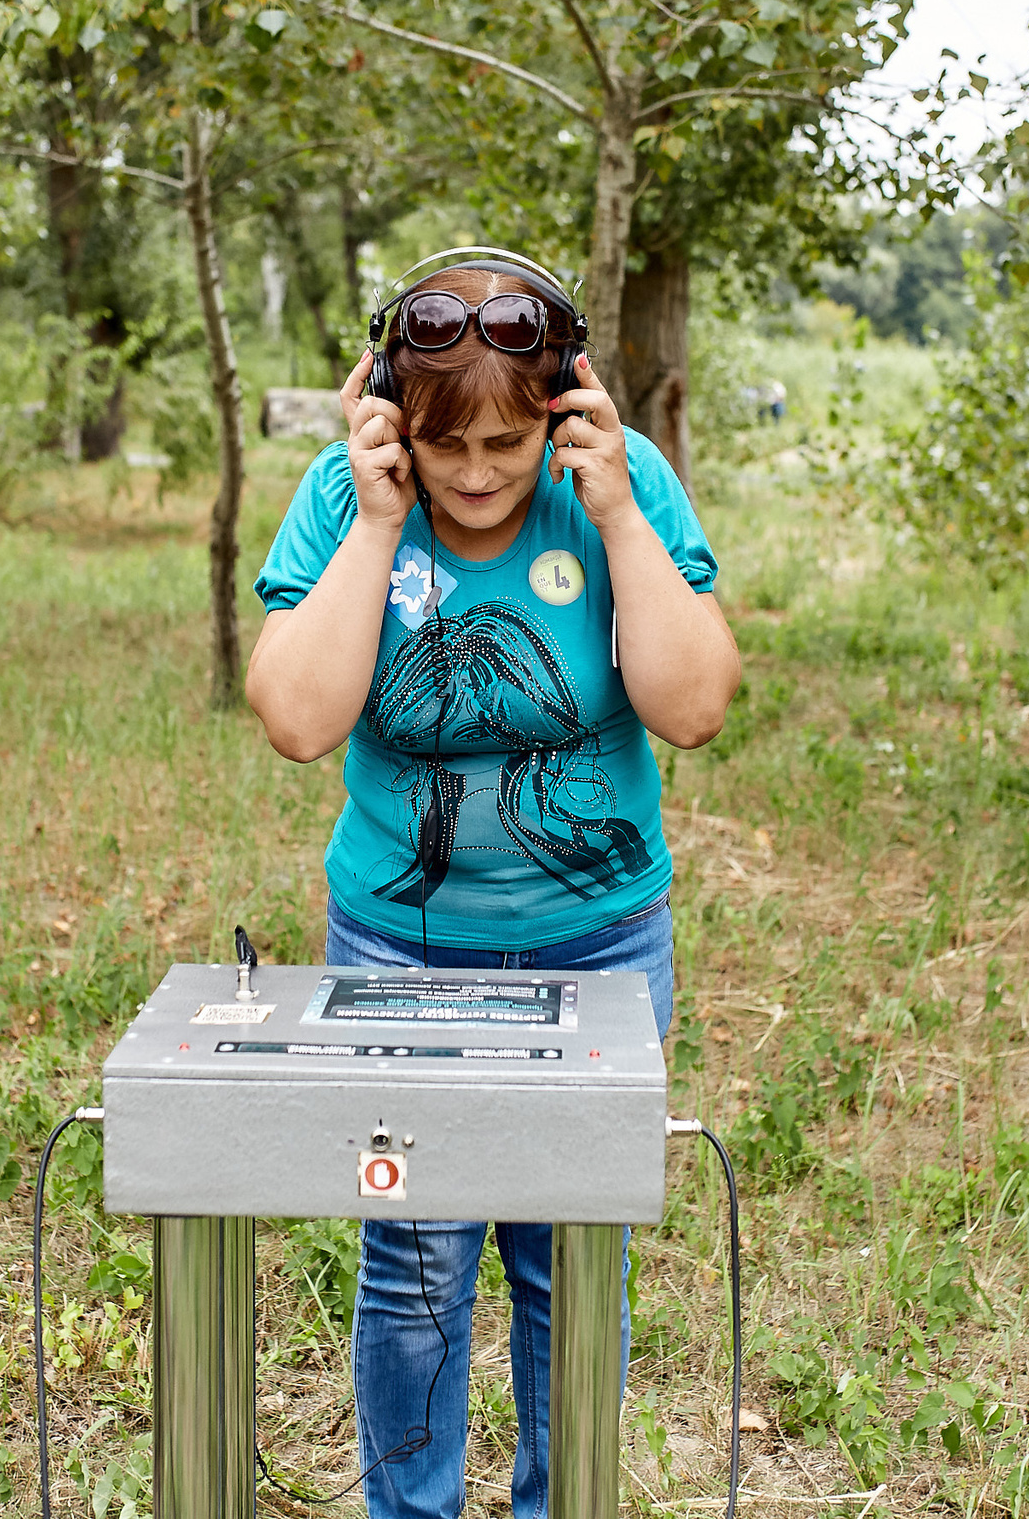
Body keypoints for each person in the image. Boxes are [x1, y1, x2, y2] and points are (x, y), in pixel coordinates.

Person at [246, 260, 741, 1519]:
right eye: (442, 442)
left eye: (507, 442)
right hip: (401, 952)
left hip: (599, 952)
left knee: (570, 1265)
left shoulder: (616, 488)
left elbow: (692, 707)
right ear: (386, 414)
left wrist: (622, 517)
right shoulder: (348, 494)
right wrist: (369, 524)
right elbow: (297, 720)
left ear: (566, 404)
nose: (472, 473)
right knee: (413, 1270)